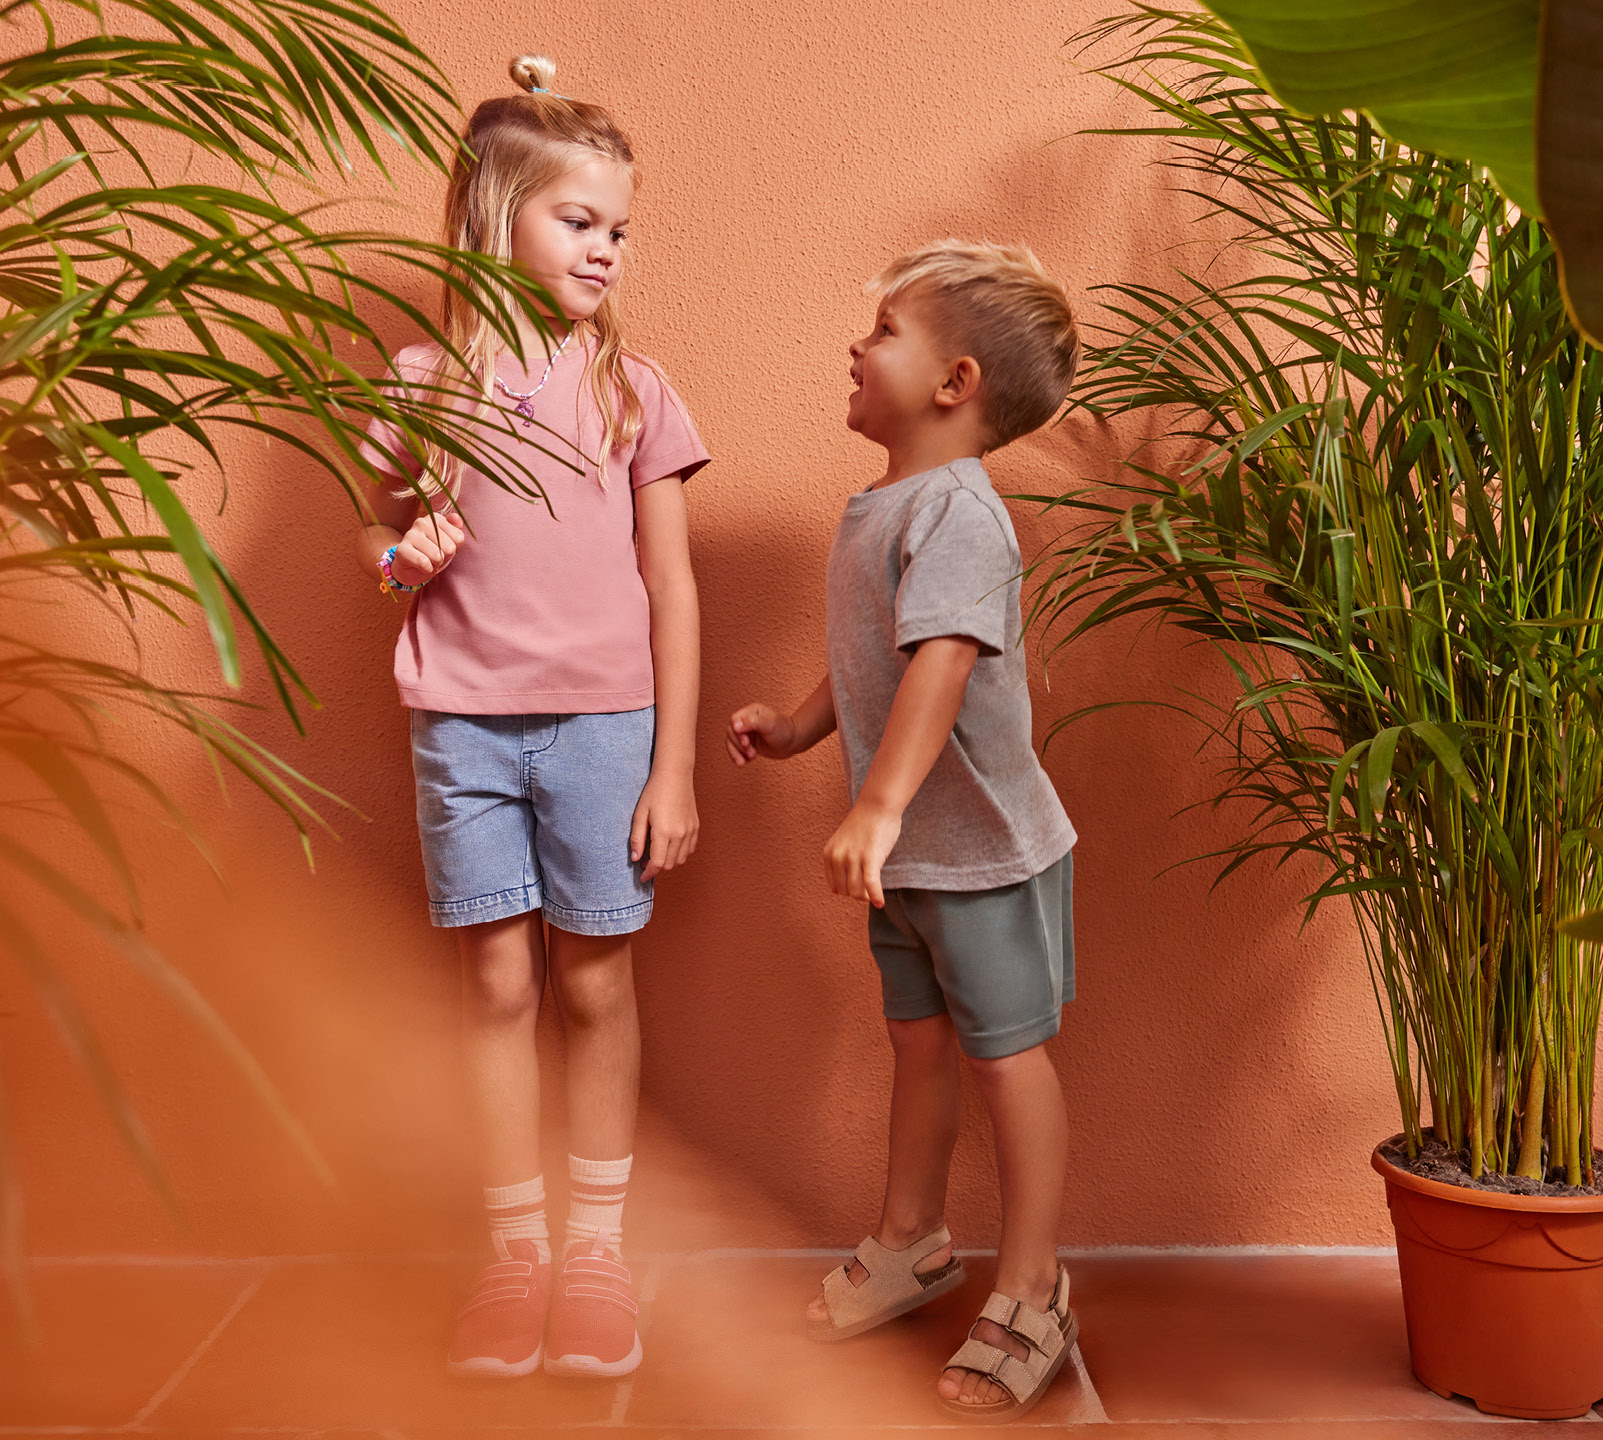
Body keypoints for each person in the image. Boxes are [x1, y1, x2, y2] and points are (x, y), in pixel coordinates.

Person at [355, 55, 707, 1381]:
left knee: (595, 979)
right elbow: (373, 553)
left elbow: (672, 582)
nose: (606, 248)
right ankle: (514, 1255)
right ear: (492, 213)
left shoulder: (634, 392)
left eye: (619, 227)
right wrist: (411, 555)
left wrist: (671, 770)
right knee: (496, 983)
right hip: (462, 724)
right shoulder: (421, 383)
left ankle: (598, 1253)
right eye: (578, 220)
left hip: (606, 728)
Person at [725, 240, 1083, 1421]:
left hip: (981, 852)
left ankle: (1034, 1288)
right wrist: (801, 730)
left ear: (955, 382)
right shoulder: (884, 504)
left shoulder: (962, 514)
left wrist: (876, 804)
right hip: (914, 857)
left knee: (1004, 1057)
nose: (854, 343)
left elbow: (941, 662)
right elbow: (878, 653)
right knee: (919, 1046)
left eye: (883, 329)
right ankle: (912, 1238)